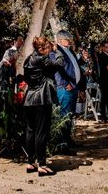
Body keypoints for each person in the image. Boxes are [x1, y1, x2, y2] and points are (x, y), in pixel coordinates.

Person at [23, 37, 65, 176]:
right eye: (46, 48)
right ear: (41, 49)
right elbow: (59, 65)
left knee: (31, 131)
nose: (48, 50)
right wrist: (57, 51)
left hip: (29, 98)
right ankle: (42, 164)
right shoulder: (42, 59)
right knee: (41, 132)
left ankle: (31, 162)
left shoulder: (28, 59)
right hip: (41, 98)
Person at [51, 30, 82, 151]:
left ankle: (68, 140)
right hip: (64, 88)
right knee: (64, 115)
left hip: (74, 87)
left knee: (70, 115)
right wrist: (65, 84)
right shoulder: (56, 51)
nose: (69, 41)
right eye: (67, 39)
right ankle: (62, 144)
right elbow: (57, 70)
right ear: (60, 40)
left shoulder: (69, 51)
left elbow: (76, 67)